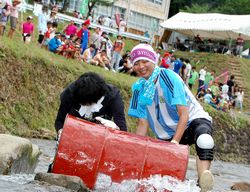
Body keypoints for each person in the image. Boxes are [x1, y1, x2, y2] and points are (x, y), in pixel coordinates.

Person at [128, 44, 215, 192]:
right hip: (166, 133)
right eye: (136, 63)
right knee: (165, 180)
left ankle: (203, 183)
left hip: (192, 120)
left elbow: (184, 114)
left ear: (153, 61)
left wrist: (175, 142)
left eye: (145, 61)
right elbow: (143, 123)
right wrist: (136, 151)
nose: (141, 66)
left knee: (204, 140)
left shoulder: (168, 77)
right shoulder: (138, 89)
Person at [55, 72, 127, 135]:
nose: (85, 105)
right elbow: (60, 121)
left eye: (88, 103)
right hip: (73, 132)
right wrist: (61, 132)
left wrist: (115, 127)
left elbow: (122, 129)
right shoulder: (70, 93)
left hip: (100, 135)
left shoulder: (113, 97)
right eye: (82, 103)